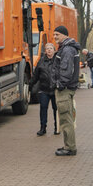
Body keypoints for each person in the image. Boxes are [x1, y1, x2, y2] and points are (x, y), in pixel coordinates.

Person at [51, 25, 81, 156]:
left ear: (64, 35)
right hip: (67, 88)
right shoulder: (68, 48)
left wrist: (59, 84)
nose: (55, 37)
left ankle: (70, 147)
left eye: (57, 34)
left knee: (65, 119)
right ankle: (67, 145)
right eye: (54, 34)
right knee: (65, 118)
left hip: (64, 89)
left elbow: (66, 70)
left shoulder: (67, 50)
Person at [30, 43, 58, 136]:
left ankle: (57, 127)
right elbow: (36, 75)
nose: (49, 50)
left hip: (55, 90)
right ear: (45, 51)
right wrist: (30, 85)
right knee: (43, 109)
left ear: (54, 50)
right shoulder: (41, 61)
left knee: (56, 109)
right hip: (44, 90)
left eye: (51, 48)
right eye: (47, 49)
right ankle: (43, 128)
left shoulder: (58, 60)